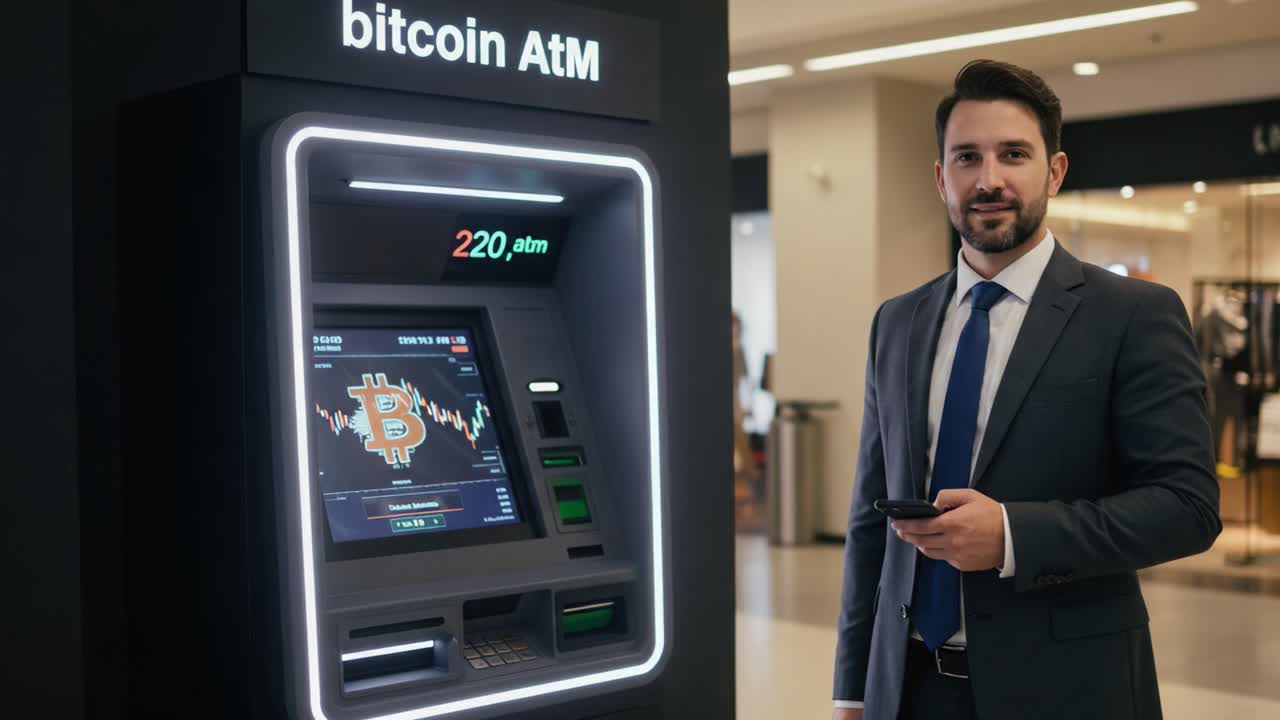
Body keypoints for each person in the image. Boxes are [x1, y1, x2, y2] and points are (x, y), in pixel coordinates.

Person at [830, 59, 1221, 720]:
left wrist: (1013, 534)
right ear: (940, 178)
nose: (989, 180)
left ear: (1055, 171)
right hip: (909, 689)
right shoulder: (896, 322)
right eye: (967, 157)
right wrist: (851, 690)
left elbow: (1187, 506)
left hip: (1067, 689)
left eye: (1014, 154)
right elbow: (872, 521)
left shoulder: (1133, 316)